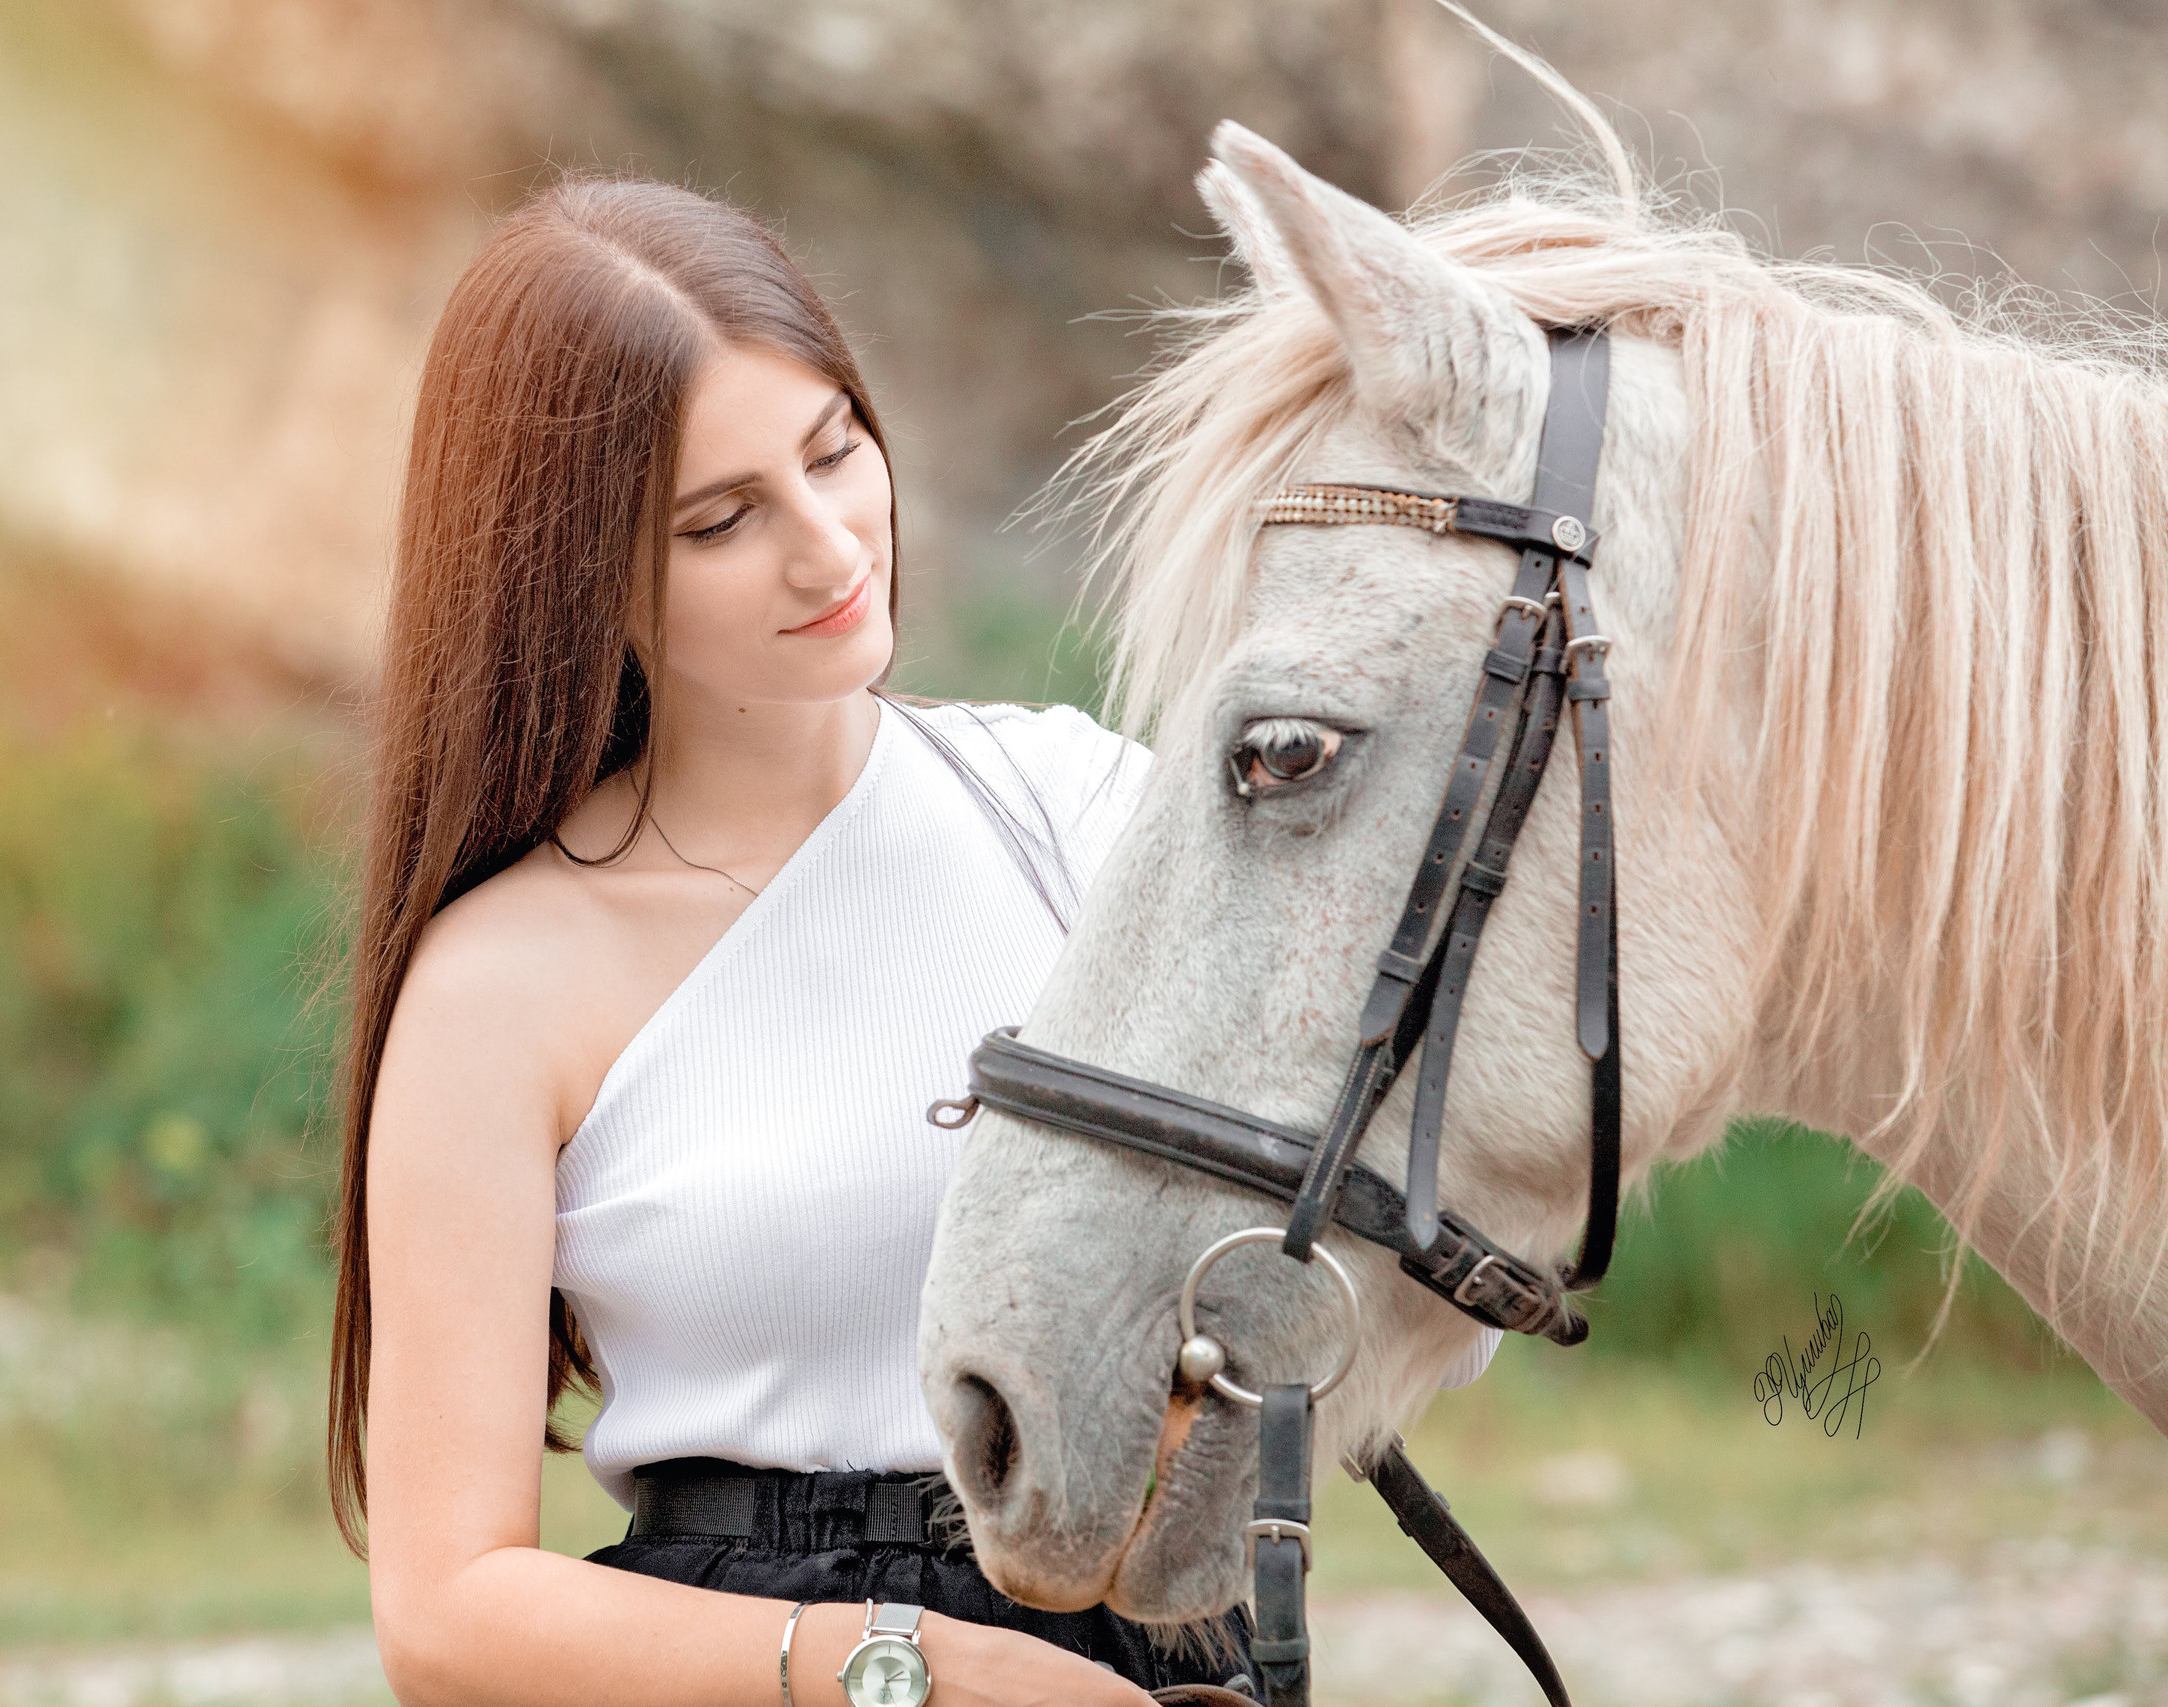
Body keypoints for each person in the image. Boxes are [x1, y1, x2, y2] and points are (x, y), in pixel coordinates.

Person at [323, 174, 1498, 1707]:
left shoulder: (1081, 812)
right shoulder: (499, 985)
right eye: (721, 520)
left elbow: (1384, 1208)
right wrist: (915, 1666)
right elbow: (444, 1611)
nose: (828, 548)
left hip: (1146, 1645)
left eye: (834, 452)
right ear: (573, 574)